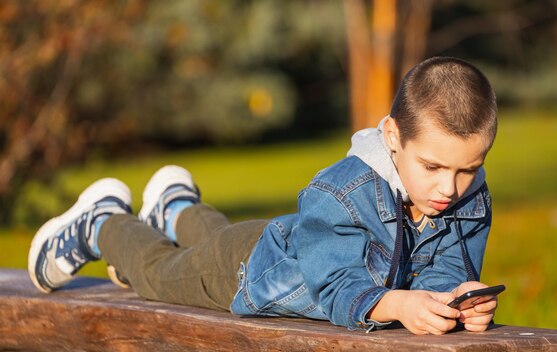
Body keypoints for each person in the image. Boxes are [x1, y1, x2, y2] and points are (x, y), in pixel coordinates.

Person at [28, 56, 499, 335]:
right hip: (248, 274)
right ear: (393, 137)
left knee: (213, 240)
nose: (449, 188)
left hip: (267, 245)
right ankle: (104, 223)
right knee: (158, 274)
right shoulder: (341, 190)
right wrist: (397, 304)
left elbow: (446, 267)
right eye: (433, 167)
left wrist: (457, 295)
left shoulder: (468, 198)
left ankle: (175, 209)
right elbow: (337, 286)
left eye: (468, 170)